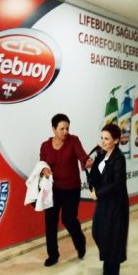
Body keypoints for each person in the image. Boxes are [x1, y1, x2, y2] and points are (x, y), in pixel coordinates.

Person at [39, 113, 94, 267]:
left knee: (69, 219)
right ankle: (53, 255)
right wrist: (44, 170)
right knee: (50, 223)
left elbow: (82, 156)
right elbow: (42, 163)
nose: (65, 132)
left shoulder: (73, 140)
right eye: (62, 129)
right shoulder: (45, 146)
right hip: (52, 191)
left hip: (71, 189)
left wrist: (87, 162)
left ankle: (80, 242)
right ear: (53, 129)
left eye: (67, 128)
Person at [89, 123, 129, 275]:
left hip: (115, 204)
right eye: (102, 138)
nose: (103, 141)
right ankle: (110, 265)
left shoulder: (119, 158)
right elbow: (95, 174)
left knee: (112, 236)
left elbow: (117, 184)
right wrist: (92, 184)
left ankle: (111, 273)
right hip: (103, 202)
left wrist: (98, 193)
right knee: (98, 232)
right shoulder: (101, 154)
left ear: (116, 140)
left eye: (107, 139)